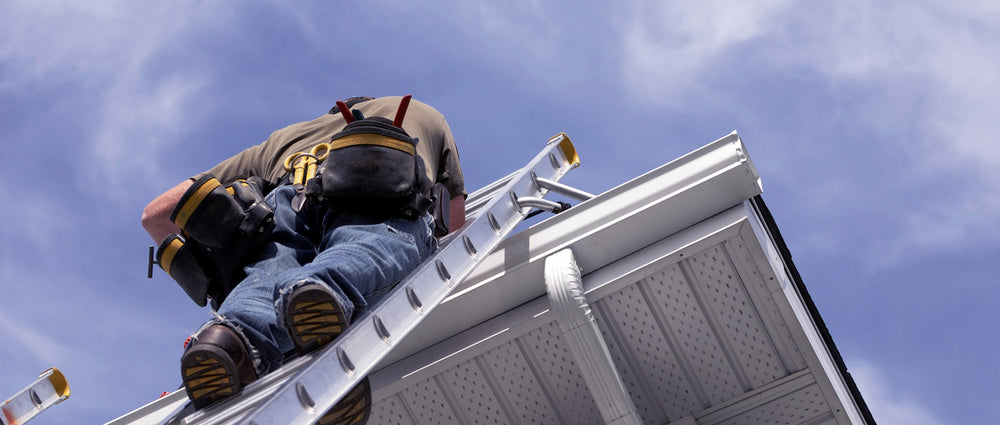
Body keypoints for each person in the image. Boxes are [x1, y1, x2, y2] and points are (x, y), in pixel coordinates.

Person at [141, 95, 466, 424]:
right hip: (380, 177)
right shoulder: (421, 113)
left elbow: (156, 214)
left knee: (265, 279)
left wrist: (211, 269)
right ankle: (322, 290)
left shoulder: (282, 140)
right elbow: (454, 225)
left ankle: (226, 341)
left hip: (287, 199)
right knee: (369, 244)